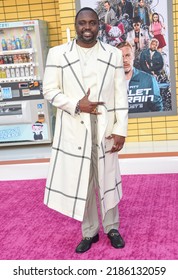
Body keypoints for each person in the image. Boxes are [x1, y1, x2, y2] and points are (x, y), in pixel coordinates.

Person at [43, 7, 128, 253]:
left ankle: (112, 227)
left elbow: (120, 94)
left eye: (92, 22)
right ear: (76, 24)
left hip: (105, 127)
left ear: (99, 25)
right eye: (82, 23)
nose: (87, 27)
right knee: (85, 180)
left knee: (107, 178)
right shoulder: (58, 54)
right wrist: (75, 105)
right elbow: (49, 90)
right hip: (74, 125)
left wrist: (121, 129)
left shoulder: (113, 54)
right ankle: (89, 232)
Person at [116, 41, 163, 112]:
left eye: (128, 55)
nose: (125, 60)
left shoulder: (149, 80)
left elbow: (158, 110)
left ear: (133, 56)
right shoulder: (109, 82)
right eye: (120, 56)